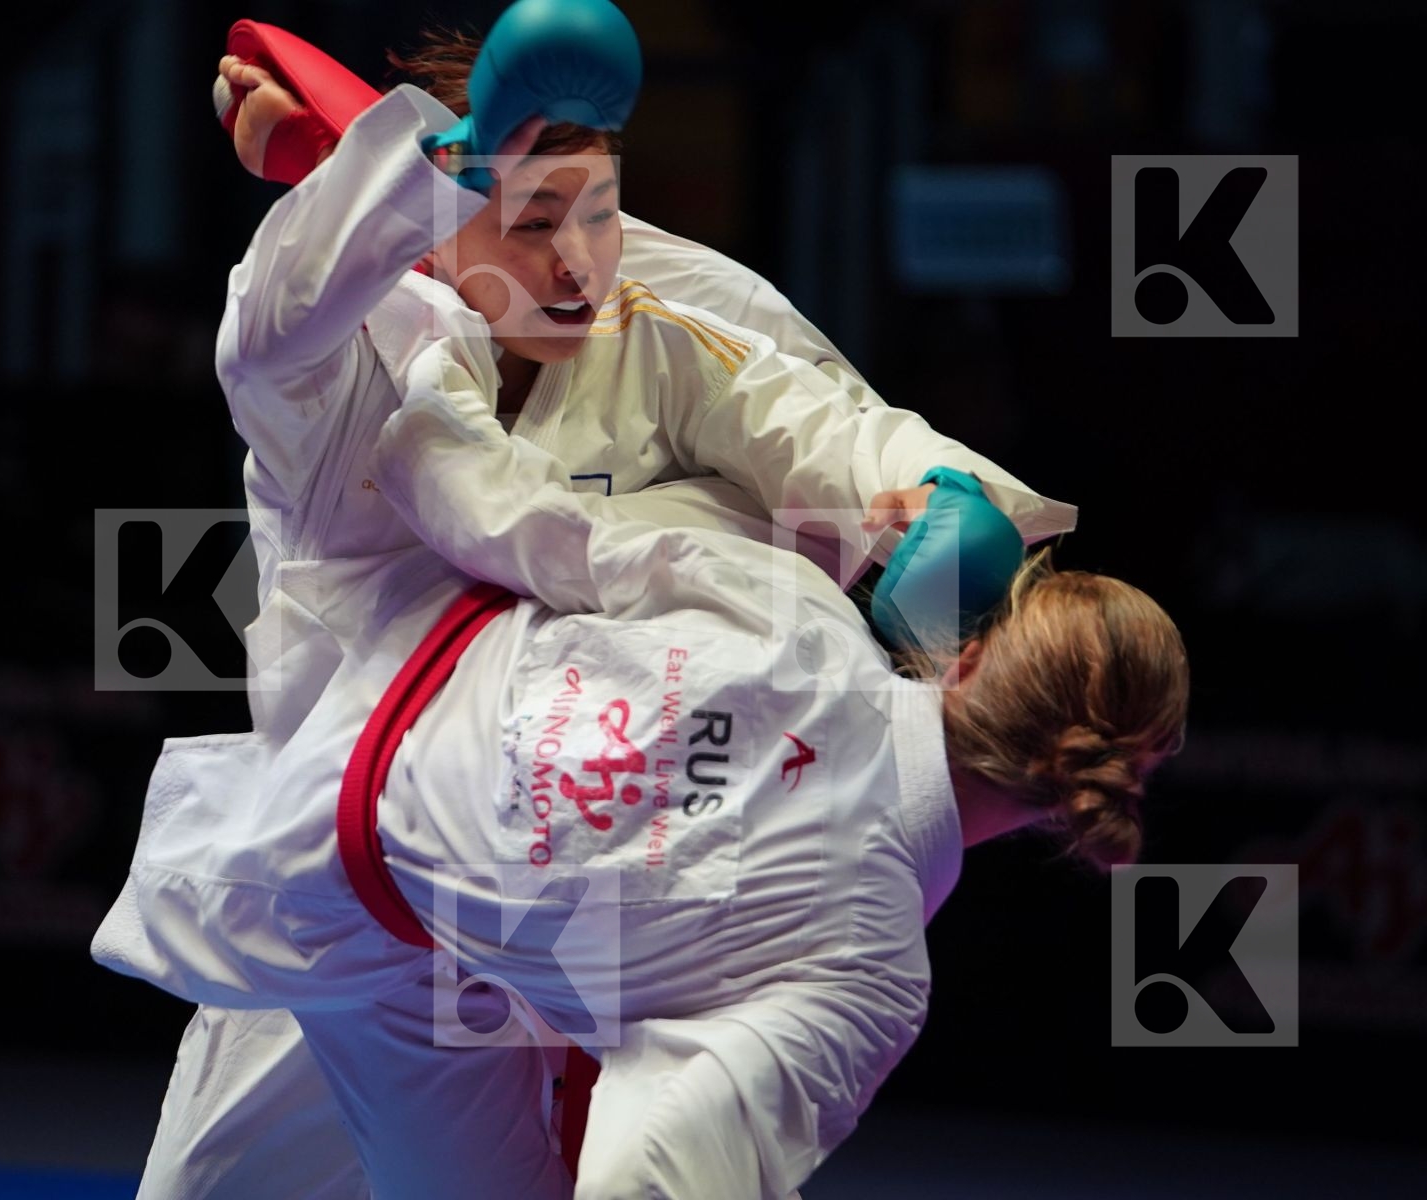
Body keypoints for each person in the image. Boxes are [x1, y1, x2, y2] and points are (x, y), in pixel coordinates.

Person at [128, 22, 1075, 1199]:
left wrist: (939, 492)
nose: (581, 264)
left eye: (604, 213)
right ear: (439, 217)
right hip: (346, 868)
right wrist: (391, 161)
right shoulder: (351, 361)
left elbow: (798, 408)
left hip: (574, 878)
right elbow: (278, 331)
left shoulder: (649, 318)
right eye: (533, 228)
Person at [93, 341, 1190, 1198]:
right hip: (367, 924)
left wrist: (437, 363)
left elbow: (515, 516)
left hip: (353, 713)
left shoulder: (799, 610)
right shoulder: (870, 970)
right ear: (1094, 790)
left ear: (974, 653)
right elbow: (644, 1173)